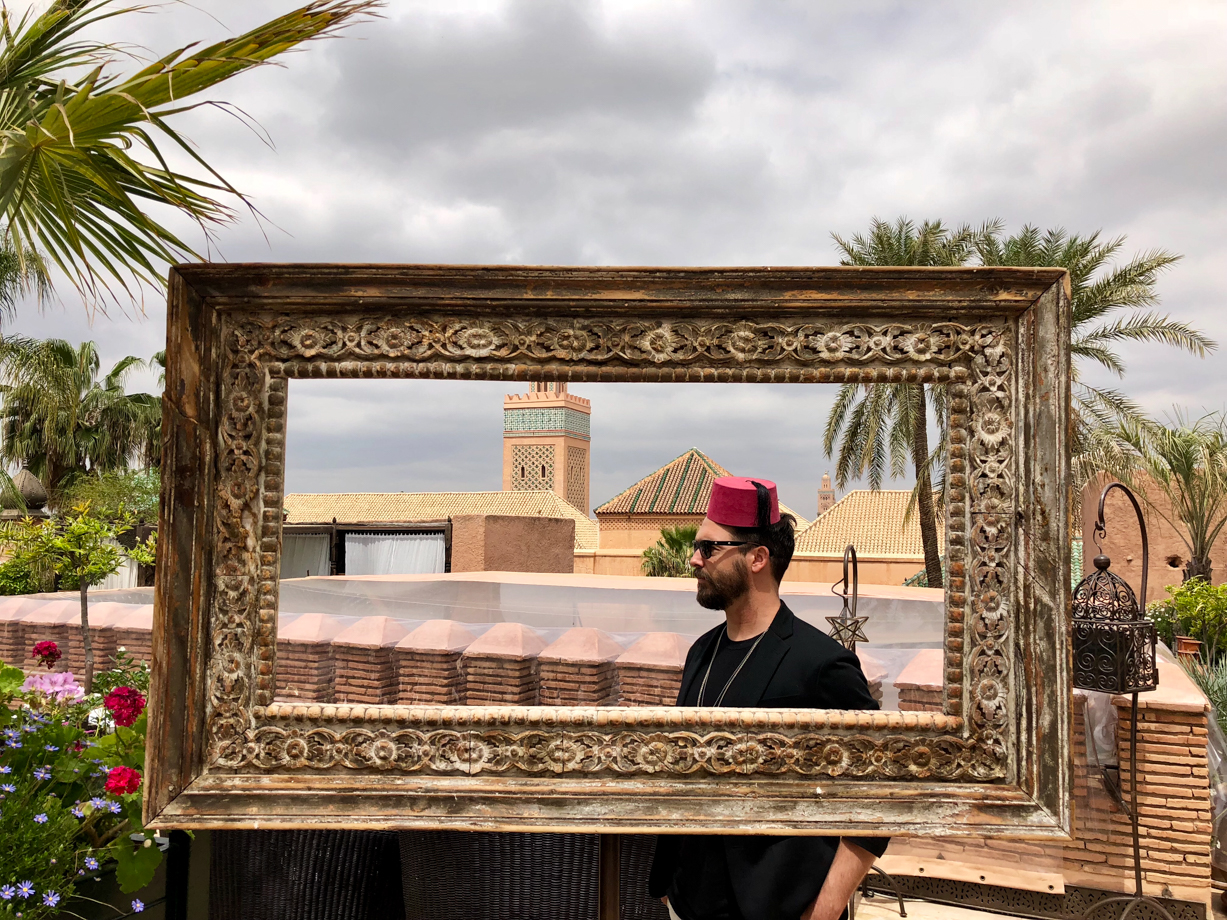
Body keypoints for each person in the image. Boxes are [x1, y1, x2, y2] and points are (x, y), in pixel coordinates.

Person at [648, 476, 888, 920]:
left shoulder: (822, 664)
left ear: (757, 557)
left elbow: (881, 792)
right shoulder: (701, 651)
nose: (693, 559)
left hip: (778, 906)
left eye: (708, 548)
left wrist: (828, 906)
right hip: (687, 901)